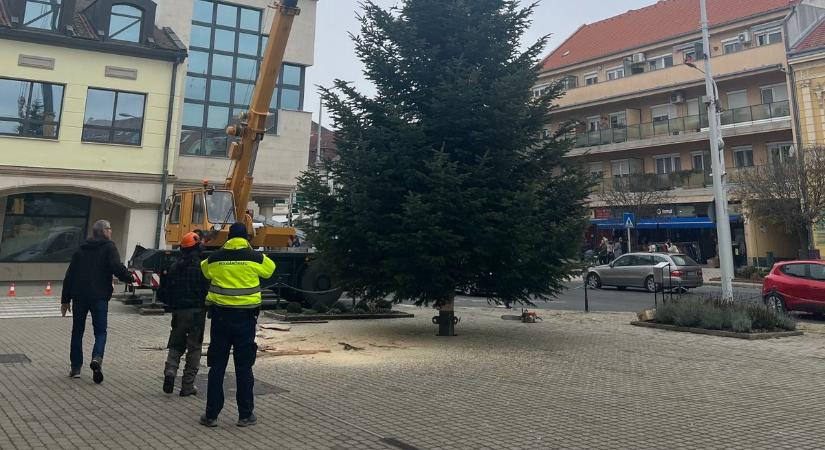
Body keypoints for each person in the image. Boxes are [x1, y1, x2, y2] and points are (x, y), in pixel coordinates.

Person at [199, 223, 275, 428]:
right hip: (245, 320)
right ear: (246, 238)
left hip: (220, 319)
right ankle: (245, 415)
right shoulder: (255, 257)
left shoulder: (214, 259)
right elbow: (270, 270)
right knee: (243, 367)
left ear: (229, 238)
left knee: (217, 367)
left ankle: (211, 415)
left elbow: (204, 271)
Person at [61, 219, 132, 383]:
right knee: (100, 331)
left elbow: (69, 275)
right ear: (104, 231)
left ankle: (76, 367)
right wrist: (129, 277)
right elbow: (116, 266)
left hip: (79, 296)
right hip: (99, 296)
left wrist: (65, 300)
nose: (111, 232)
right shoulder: (109, 247)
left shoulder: (81, 249)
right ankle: (97, 358)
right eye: (109, 229)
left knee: (77, 331)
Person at [160, 232, 210, 396]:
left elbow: (167, 291)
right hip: (197, 312)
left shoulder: (175, 267)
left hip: (179, 312)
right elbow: (207, 289)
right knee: (194, 348)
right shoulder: (203, 267)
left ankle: (170, 371)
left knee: (176, 344)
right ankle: (187, 386)